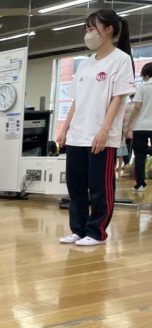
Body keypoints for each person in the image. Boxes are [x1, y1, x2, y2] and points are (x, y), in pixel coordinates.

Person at [56, 9, 135, 246]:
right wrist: (64, 128)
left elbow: (118, 98)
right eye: (86, 29)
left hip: (102, 136)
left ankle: (97, 231)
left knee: (100, 187)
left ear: (108, 29)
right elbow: (77, 100)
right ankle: (79, 229)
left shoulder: (121, 60)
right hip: (78, 135)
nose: (88, 34)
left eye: (92, 29)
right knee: (76, 185)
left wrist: (104, 129)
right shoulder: (86, 64)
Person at [126, 62, 152, 192]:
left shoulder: (142, 87)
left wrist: (130, 125)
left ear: (146, 74)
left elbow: (136, 107)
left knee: (139, 156)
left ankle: (140, 184)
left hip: (140, 126)